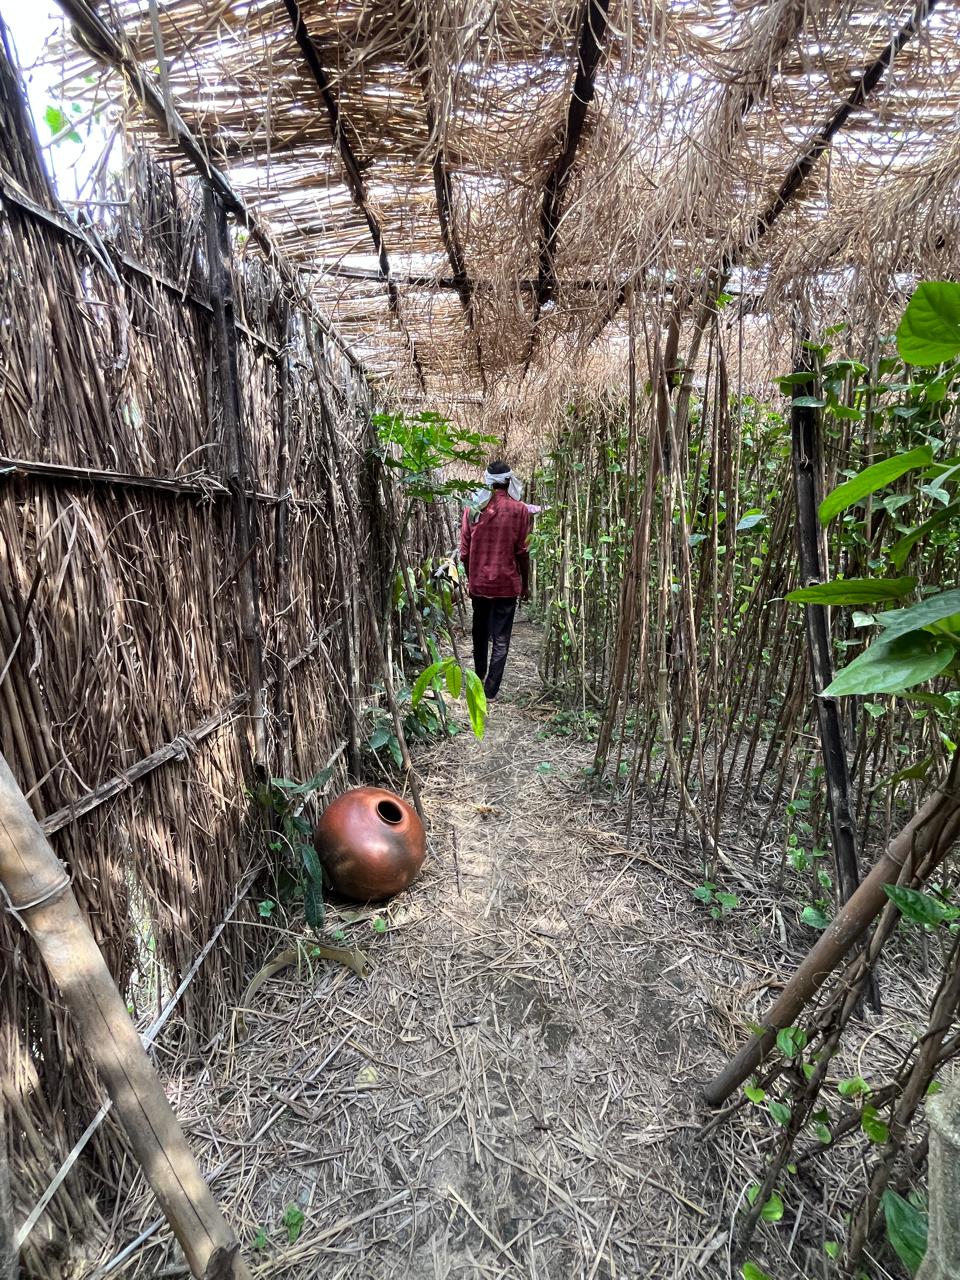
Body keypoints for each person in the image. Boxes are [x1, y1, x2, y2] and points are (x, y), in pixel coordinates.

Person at [459, 459, 532, 700]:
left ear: (487, 483)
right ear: (509, 481)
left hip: (479, 583)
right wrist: (526, 584)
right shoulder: (520, 510)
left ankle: (478, 676)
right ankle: (491, 689)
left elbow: (464, 552)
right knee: (501, 636)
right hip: (506, 584)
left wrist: (472, 577)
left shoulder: (472, 509)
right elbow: (523, 551)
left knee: (479, 630)